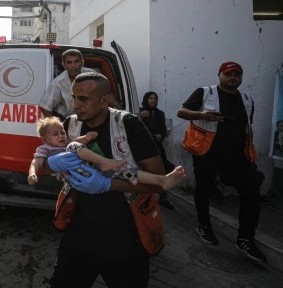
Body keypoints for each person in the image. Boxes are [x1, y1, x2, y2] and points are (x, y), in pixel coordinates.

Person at [45, 72, 168, 288]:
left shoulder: (128, 125)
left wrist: (107, 184)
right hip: (80, 230)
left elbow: (159, 180)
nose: (76, 105)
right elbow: (45, 164)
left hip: (125, 235)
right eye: (74, 97)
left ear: (104, 100)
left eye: (83, 99)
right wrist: (53, 164)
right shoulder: (70, 125)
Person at [177, 61, 267, 262]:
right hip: (206, 152)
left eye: (237, 74)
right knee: (204, 189)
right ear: (219, 75)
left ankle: (245, 238)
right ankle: (204, 225)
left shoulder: (247, 100)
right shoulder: (205, 92)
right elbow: (181, 112)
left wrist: (249, 156)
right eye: (228, 74)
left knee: (252, 192)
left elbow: (246, 129)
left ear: (241, 77)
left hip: (236, 156)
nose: (233, 78)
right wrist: (202, 115)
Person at [28, 116, 185, 191]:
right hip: (78, 177)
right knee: (73, 146)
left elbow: (78, 143)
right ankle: (104, 162)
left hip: (94, 170)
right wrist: (32, 173)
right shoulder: (46, 150)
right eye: (55, 134)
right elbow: (36, 162)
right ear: (44, 139)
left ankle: (162, 180)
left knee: (126, 170)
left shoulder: (68, 143)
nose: (61, 136)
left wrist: (87, 137)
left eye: (62, 132)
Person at [139, 91, 177, 209]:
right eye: (150, 98)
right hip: (143, 146)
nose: (153, 100)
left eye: (155, 98)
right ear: (146, 99)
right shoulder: (140, 112)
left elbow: (163, 129)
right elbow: (134, 128)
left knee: (162, 169)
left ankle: (163, 197)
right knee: (144, 171)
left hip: (157, 145)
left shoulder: (160, 113)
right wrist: (140, 117)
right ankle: (144, 198)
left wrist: (161, 135)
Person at [39, 49, 94, 120]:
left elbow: (105, 93)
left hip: (91, 118)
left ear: (82, 62)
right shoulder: (58, 84)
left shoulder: (92, 74)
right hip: (67, 120)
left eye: (76, 61)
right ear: (64, 65)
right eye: (69, 62)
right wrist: (59, 126)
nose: (73, 66)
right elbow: (45, 108)